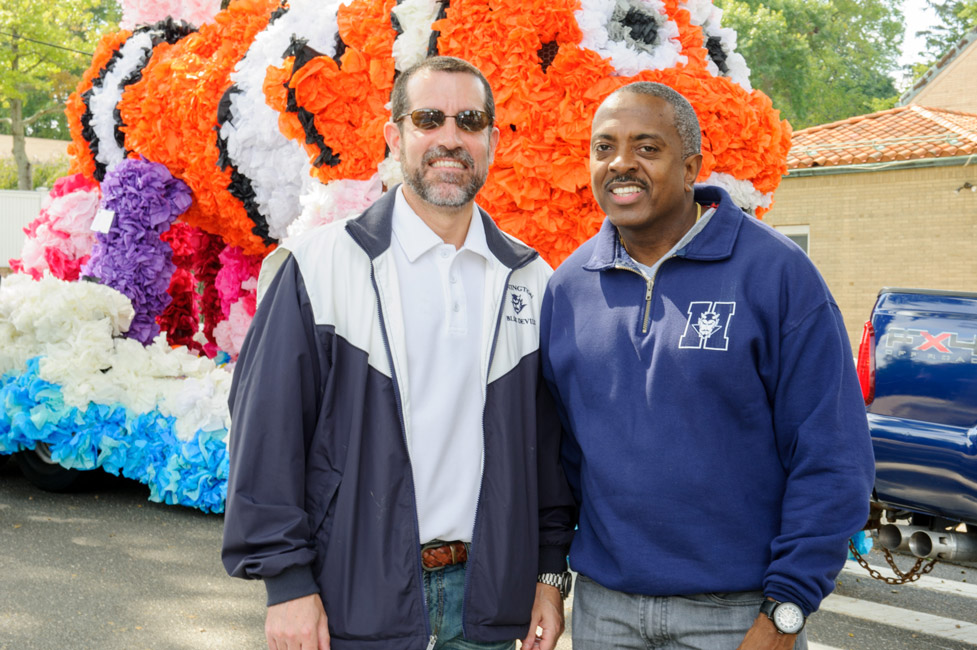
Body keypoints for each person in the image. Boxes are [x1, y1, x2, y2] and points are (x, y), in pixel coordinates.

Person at [222, 56, 575, 650]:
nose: (450, 138)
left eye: (469, 121)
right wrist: (286, 584)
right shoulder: (321, 265)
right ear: (395, 136)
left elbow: (549, 452)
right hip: (354, 597)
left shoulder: (530, 278)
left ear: (492, 139)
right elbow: (266, 433)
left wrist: (547, 574)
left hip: (488, 604)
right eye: (429, 118)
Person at [539, 82, 875, 650]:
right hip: (604, 612)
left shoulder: (777, 275)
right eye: (605, 147)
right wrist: (549, 576)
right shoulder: (568, 288)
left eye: (647, 148)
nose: (622, 164)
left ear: (691, 164)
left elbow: (833, 457)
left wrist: (786, 610)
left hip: (738, 615)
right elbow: (557, 458)